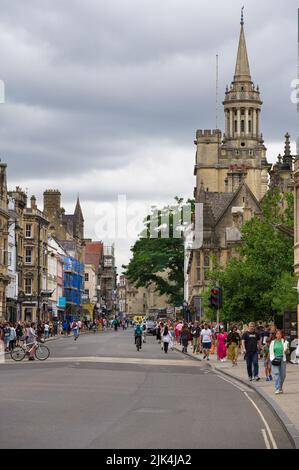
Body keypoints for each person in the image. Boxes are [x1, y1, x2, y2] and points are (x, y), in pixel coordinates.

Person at [269, 330, 289, 394]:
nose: (279, 335)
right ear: (275, 335)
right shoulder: (272, 342)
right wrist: (270, 360)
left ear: (282, 335)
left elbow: (288, 352)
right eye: (277, 334)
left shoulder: (285, 342)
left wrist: (286, 351)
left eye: (280, 334)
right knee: (277, 373)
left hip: (282, 359)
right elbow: (271, 352)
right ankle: (277, 388)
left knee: (283, 375)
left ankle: (280, 387)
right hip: (275, 359)